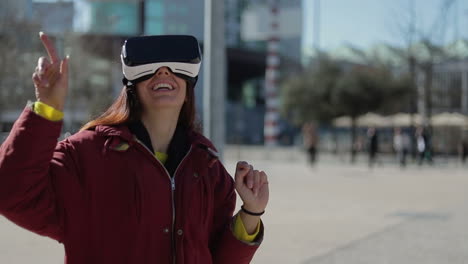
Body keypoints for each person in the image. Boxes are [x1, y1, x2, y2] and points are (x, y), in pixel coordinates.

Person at [0, 33, 269, 264]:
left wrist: (251, 213)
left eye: (175, 65)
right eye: (148, 65)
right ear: (131, 84)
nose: (163, 71)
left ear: (189, 85)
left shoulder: (208, 170)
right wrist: (46, 109)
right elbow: (11, 194)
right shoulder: (85, 156)